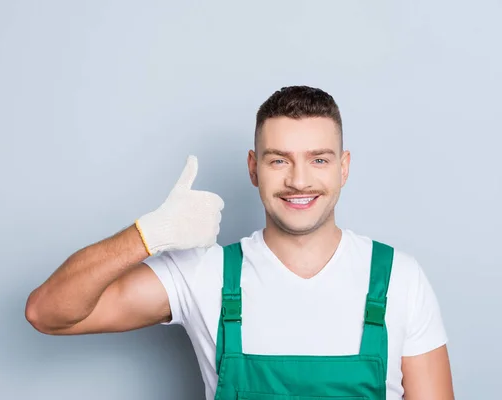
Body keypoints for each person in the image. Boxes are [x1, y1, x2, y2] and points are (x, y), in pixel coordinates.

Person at [25, 86, 454, 400]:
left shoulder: (399, 278)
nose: (298, 180)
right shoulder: (204, 274)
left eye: (318, 160)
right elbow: (48, 312)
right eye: (278, 160)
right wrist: (148, 235)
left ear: (343, 168)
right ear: (253, 168)